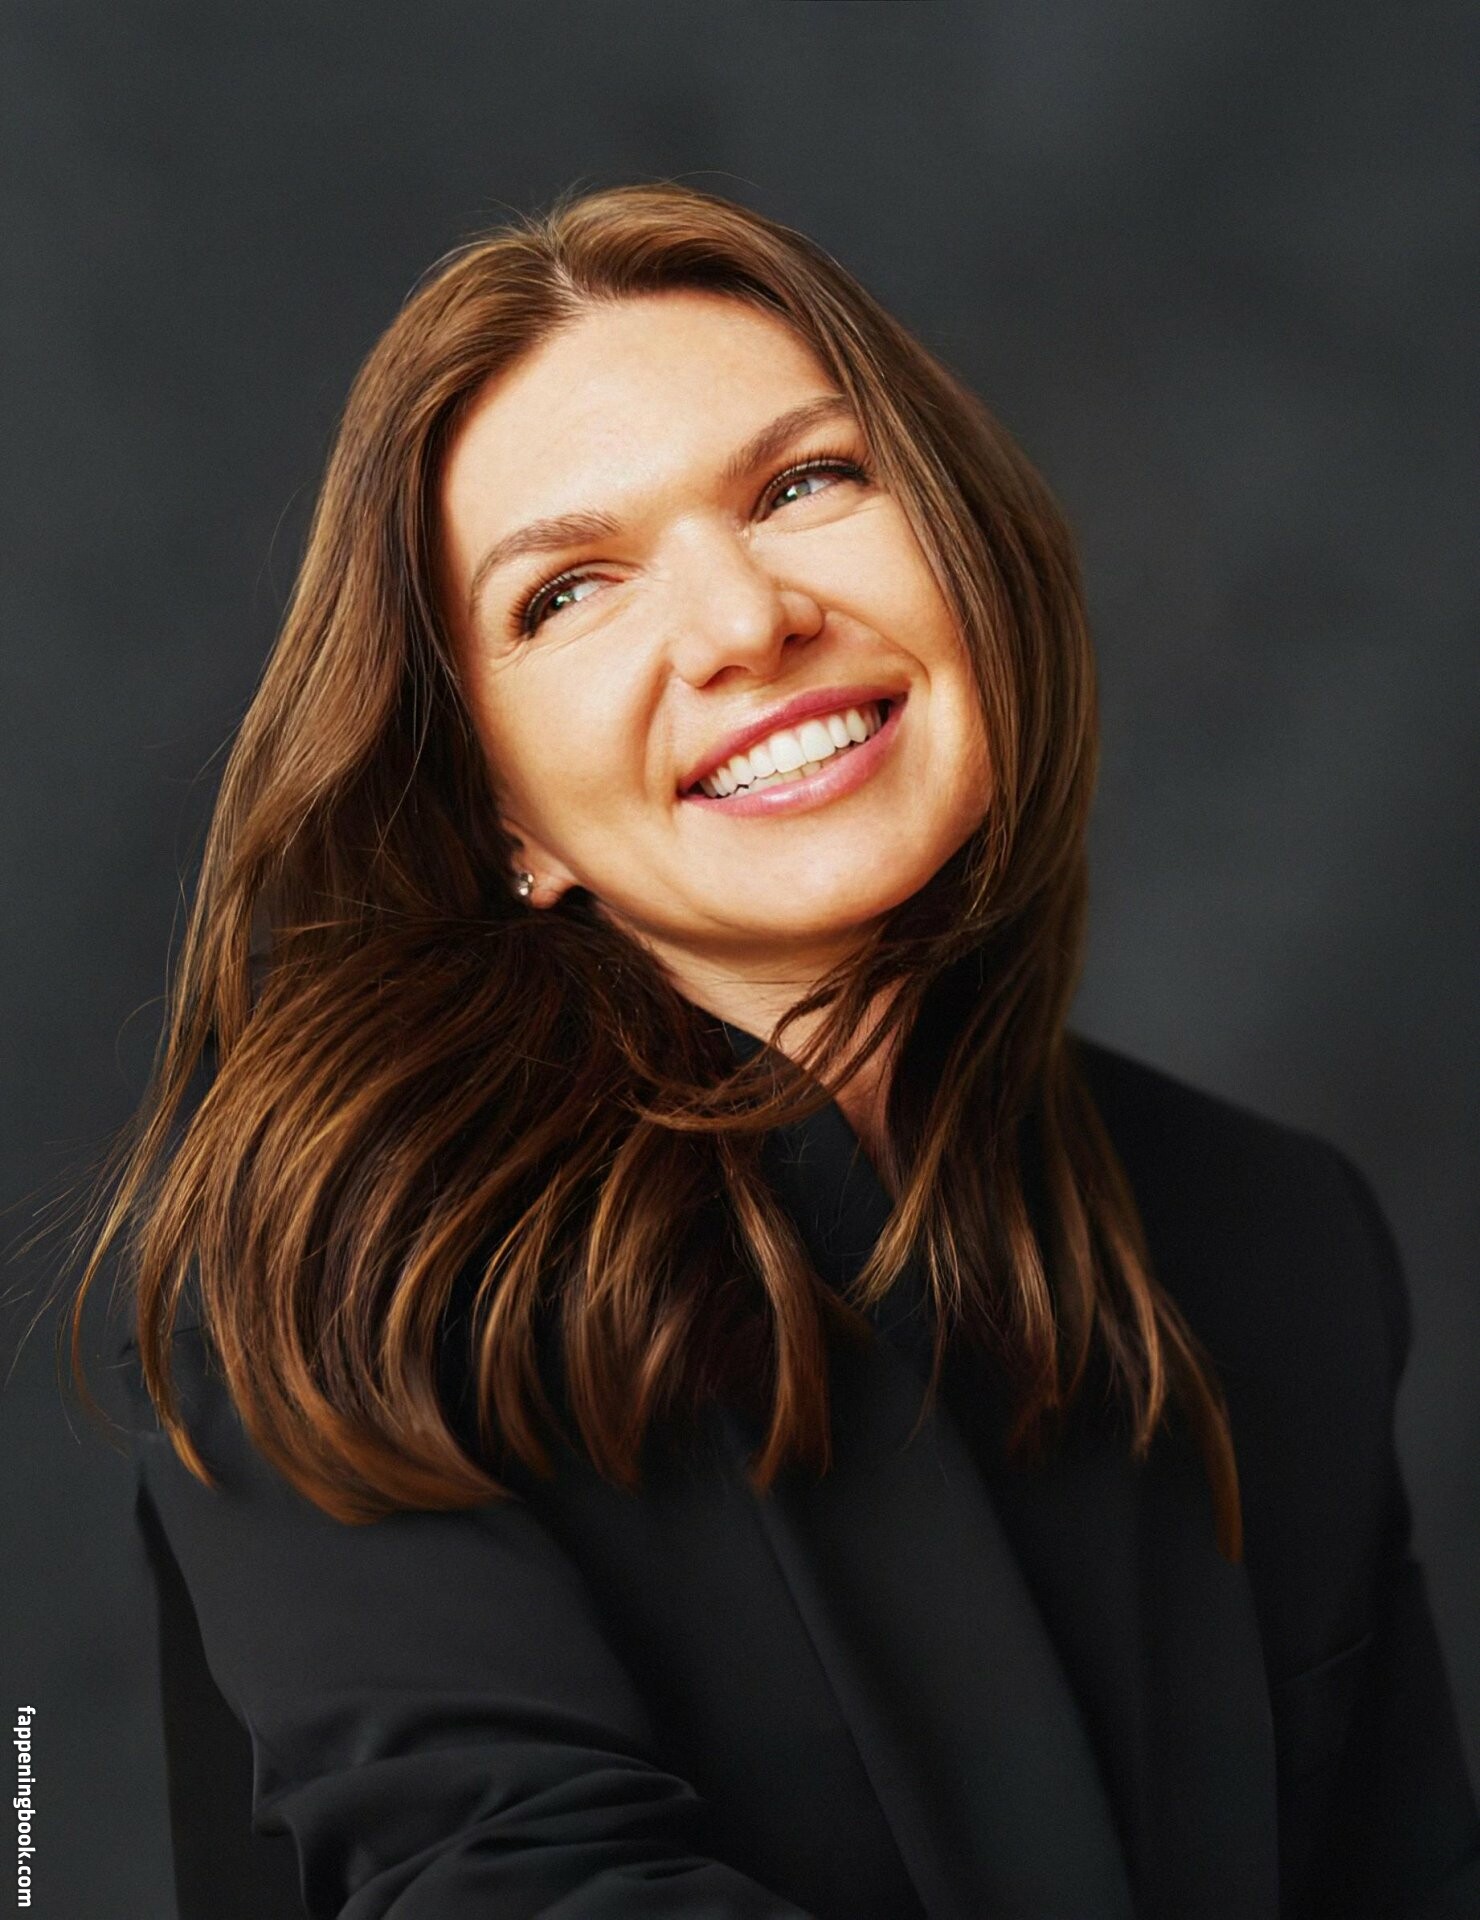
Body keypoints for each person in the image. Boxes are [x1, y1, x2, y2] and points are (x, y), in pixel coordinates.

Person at [76, 181, 1478, 1918]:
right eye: (568, 591)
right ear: (505, 819)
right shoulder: (355, 1286)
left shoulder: (1280, 1241)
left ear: (966, 557)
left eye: (805, 485)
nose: (746, 623)